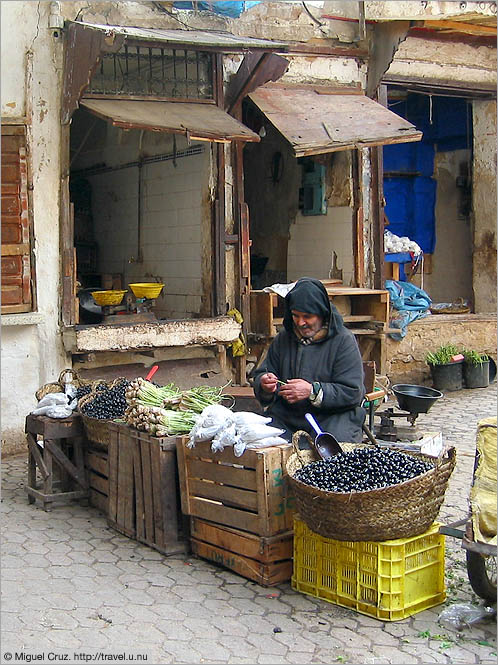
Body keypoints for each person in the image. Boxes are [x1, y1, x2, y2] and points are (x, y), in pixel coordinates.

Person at [252, 277, 365, 443]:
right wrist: (265, 384)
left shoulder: (343, 341)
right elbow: (265, 373)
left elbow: (353, 392)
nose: (300, 323)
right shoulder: (284, 339)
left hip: (333, 417)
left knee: (329, 451)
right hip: (289, 417)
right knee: (259, 441)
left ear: (322, 314)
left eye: (307, 316)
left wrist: (313, 391)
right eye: (295, 316)